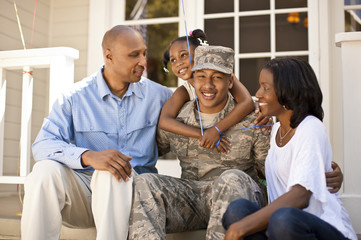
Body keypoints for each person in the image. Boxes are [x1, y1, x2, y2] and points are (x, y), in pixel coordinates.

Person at [21, 25, 173, 240]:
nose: (143, 62)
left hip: (138, 200)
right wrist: (88, 156)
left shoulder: (160, 96)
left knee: (112, 172)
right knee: (43, 171)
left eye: (144, 53)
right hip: (86, 199)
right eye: (134, 55)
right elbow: (43, 144)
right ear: (108, 56)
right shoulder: (74, 97)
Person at [128, 45, 271, 240]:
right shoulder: (178, 118)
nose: (208, 85)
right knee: (144, 182)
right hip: (193, 199)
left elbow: (273, 171)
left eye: (217, 77)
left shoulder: (253, 118)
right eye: (201, 76)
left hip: (238, 203)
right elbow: (148, 151)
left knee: (231, 179)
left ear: (230, 82)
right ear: (193, 79)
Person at [222, 57, 357, 240]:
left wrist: (241, 227)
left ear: (288, 92)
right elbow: (276, 174)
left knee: (283, 219)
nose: (258, 94)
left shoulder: (310, 127)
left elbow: (301, 196)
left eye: (266, 87)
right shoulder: (276, 129)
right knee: (237, 211)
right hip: (281, 231)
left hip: (320, 228)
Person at [159, 29, 260, 152]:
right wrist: (203, 134)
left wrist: (216, 129)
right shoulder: (184, 91)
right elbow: (164, 121)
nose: (178, 63)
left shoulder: (223, 76)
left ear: (200, 54)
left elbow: (247, 102)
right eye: (173, 60)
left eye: (183, 55)